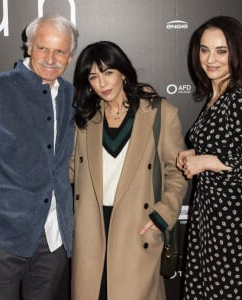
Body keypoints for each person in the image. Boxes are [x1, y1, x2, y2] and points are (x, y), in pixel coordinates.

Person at [69, 41, 187, 300]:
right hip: (92, 229)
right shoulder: (85, 120)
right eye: (94, 77)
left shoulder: (158, 112)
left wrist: (162, 215)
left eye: (108, 72)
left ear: (123, 72)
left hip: (138, 226)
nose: (103, 83)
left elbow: (176, 171)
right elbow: (70, 171)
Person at [0, 15, 78, 300]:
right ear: (29, 47)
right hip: (1, 235)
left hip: (53, 238)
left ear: (70, 55)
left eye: (60, 51)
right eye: (43, 48)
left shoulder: (71, 96)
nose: (51, 58)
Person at [177, 16, 242, 299]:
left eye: (221, 51)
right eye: (205, 50)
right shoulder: (216, 95)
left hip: (232, 226)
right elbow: (230, 147)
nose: (210, 59)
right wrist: (195, 154)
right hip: (209, 218)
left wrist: (207, 161)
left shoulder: (238, 98)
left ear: (236, 53)